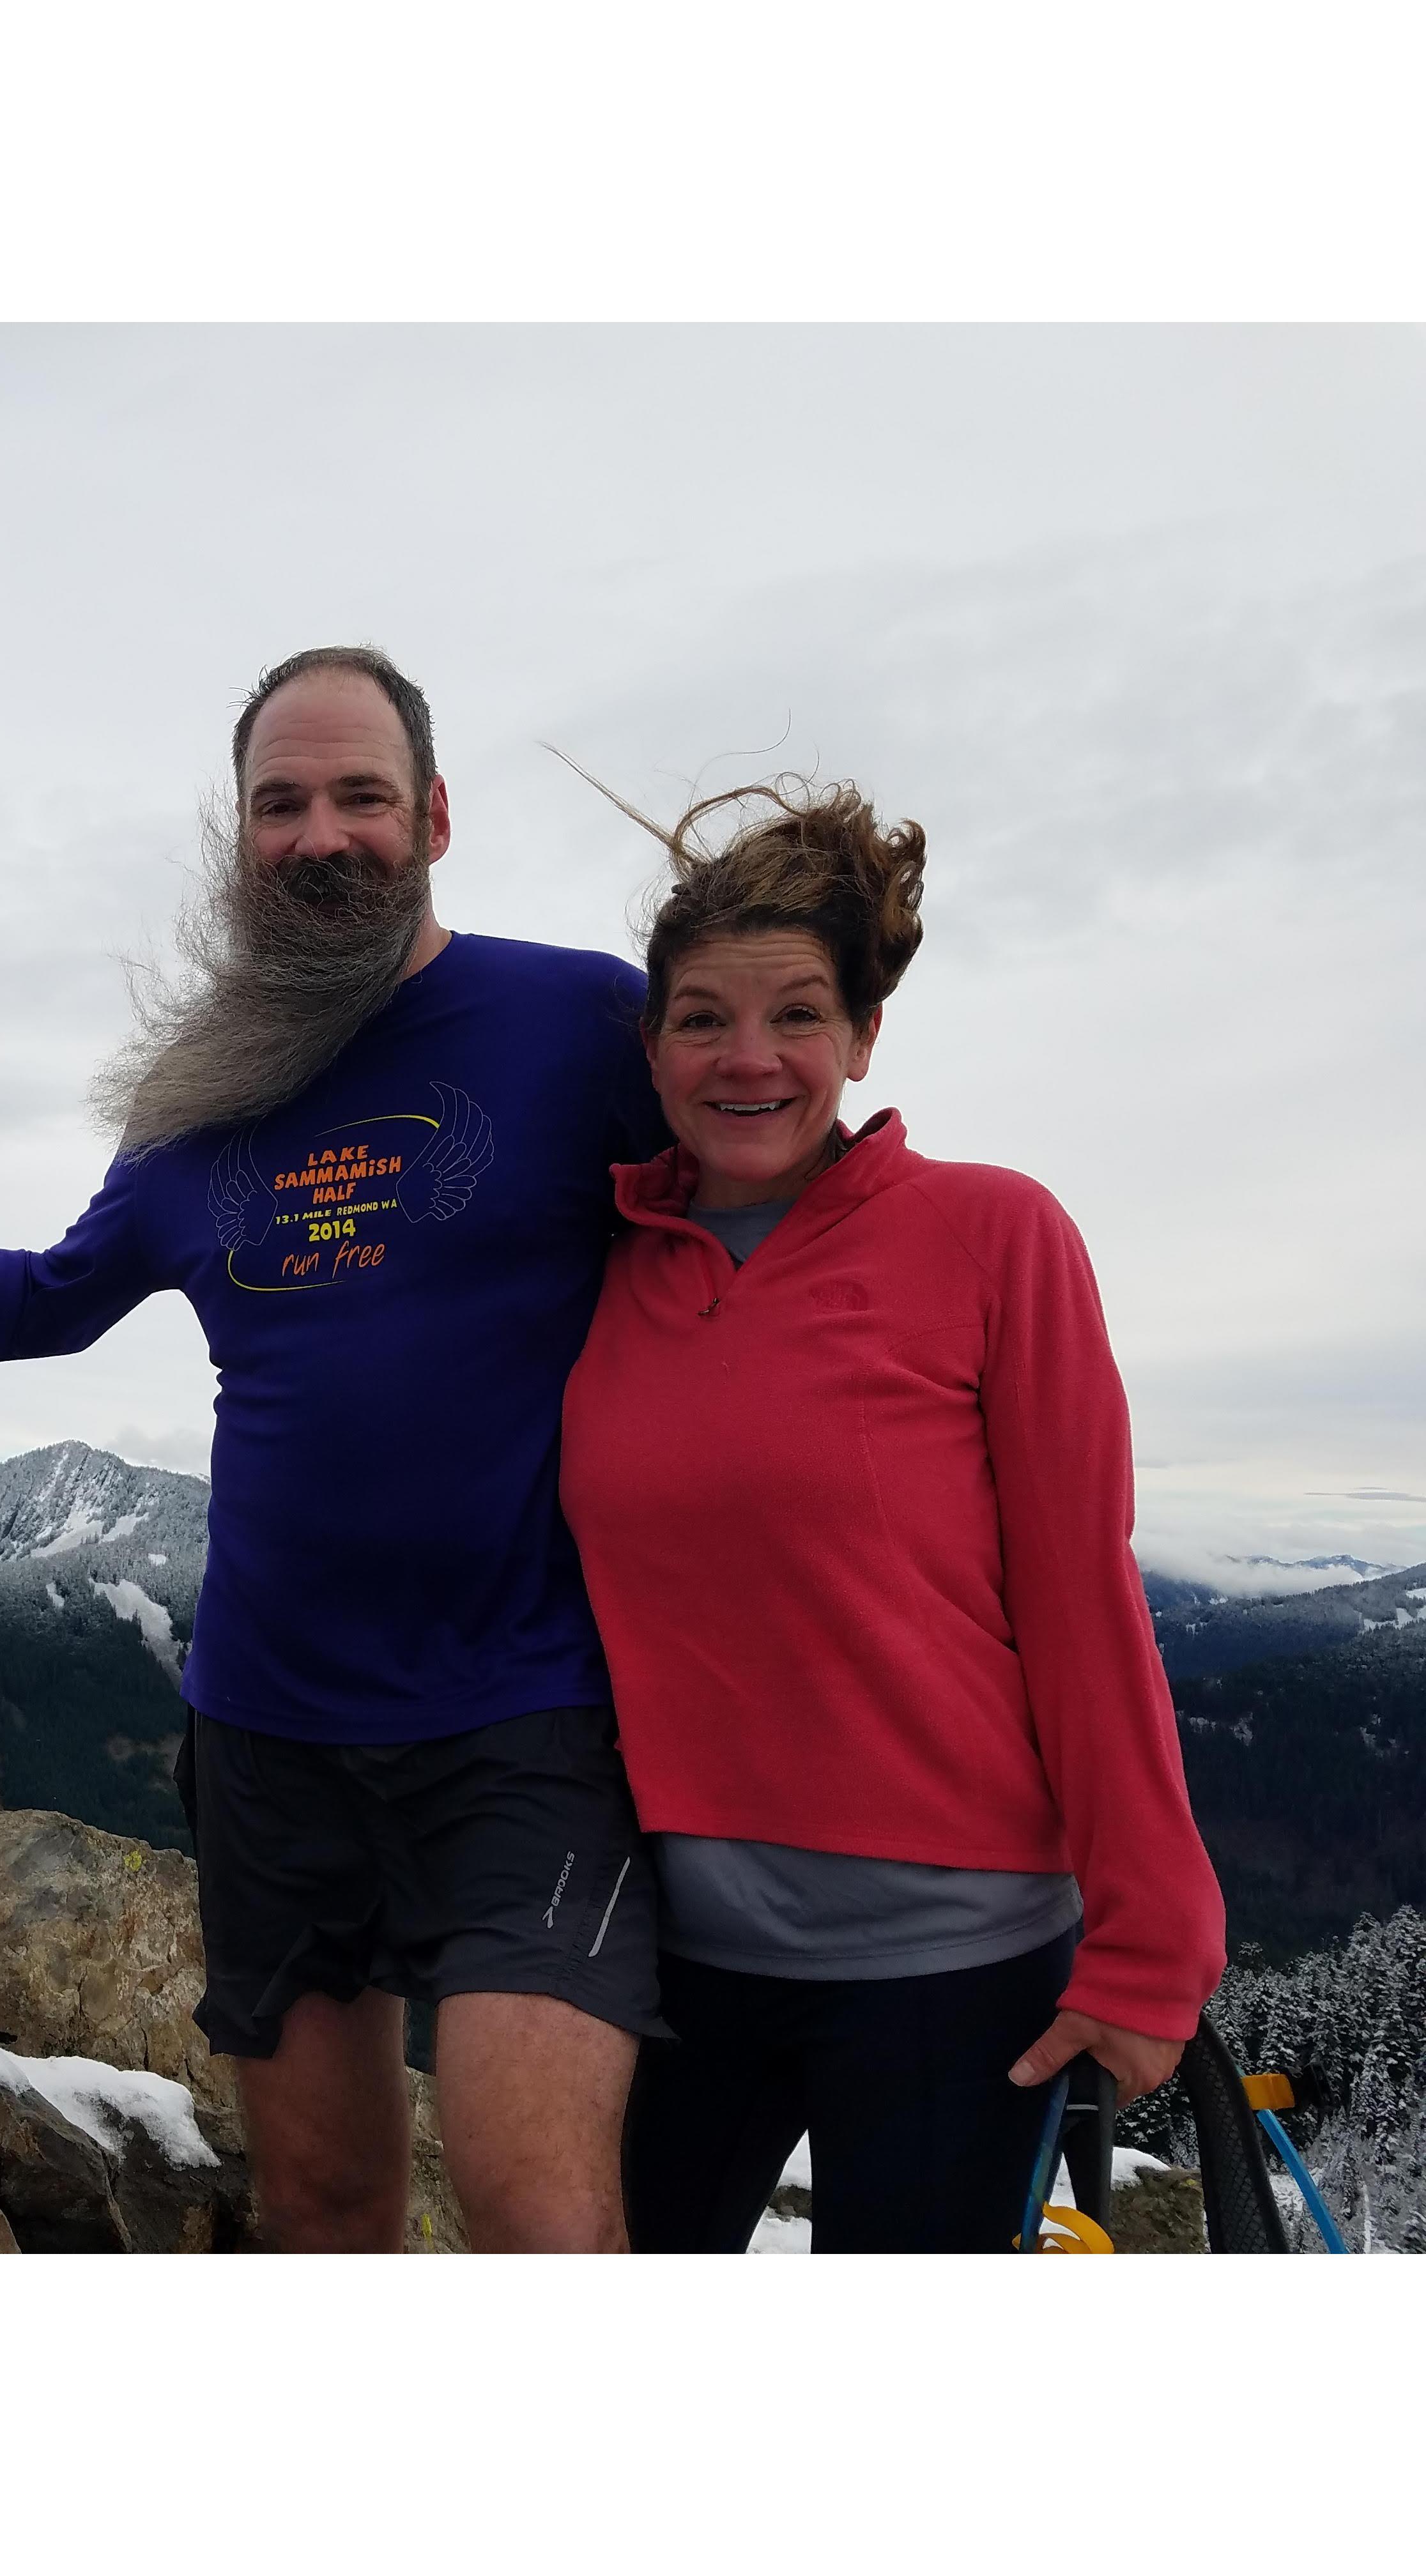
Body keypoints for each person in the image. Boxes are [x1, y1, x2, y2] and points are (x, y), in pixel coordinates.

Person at [0, 647, 670, 2250]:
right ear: (239, 839)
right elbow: (39, 1308)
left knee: (544, 2222)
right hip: (271, 1734)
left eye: (361, 796)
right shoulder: (199, 1094)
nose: (322, 835)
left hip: (525, 1722)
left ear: (433, 816)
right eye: (280, 804)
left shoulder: (577, 1020)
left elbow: (754, 1228)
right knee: (319, 2205)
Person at [555, 776, 1227, 2252]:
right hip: (672, 1957)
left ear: (862, 1038)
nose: (750, 1058)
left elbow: (1081, 1596)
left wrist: (1151, 1940)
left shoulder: (994, 1235)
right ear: (653, 1046)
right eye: (701, 1018)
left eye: (798, 1015)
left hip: (955, 1970)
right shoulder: (602, 1269)